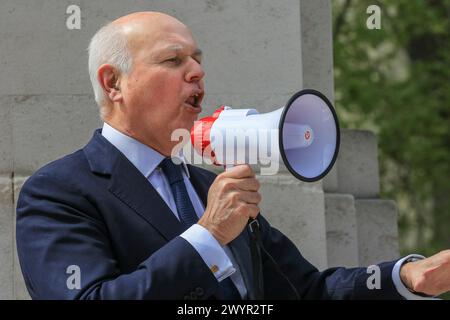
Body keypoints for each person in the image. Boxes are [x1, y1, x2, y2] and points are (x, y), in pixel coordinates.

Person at [16, 11, 450, 300]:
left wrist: (403, 278)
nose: (197, 71)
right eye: (172, 60)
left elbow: (306, 290)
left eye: (198, 60)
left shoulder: (209, 188)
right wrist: (208, 235)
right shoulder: (59, 191)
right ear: (113, 83)